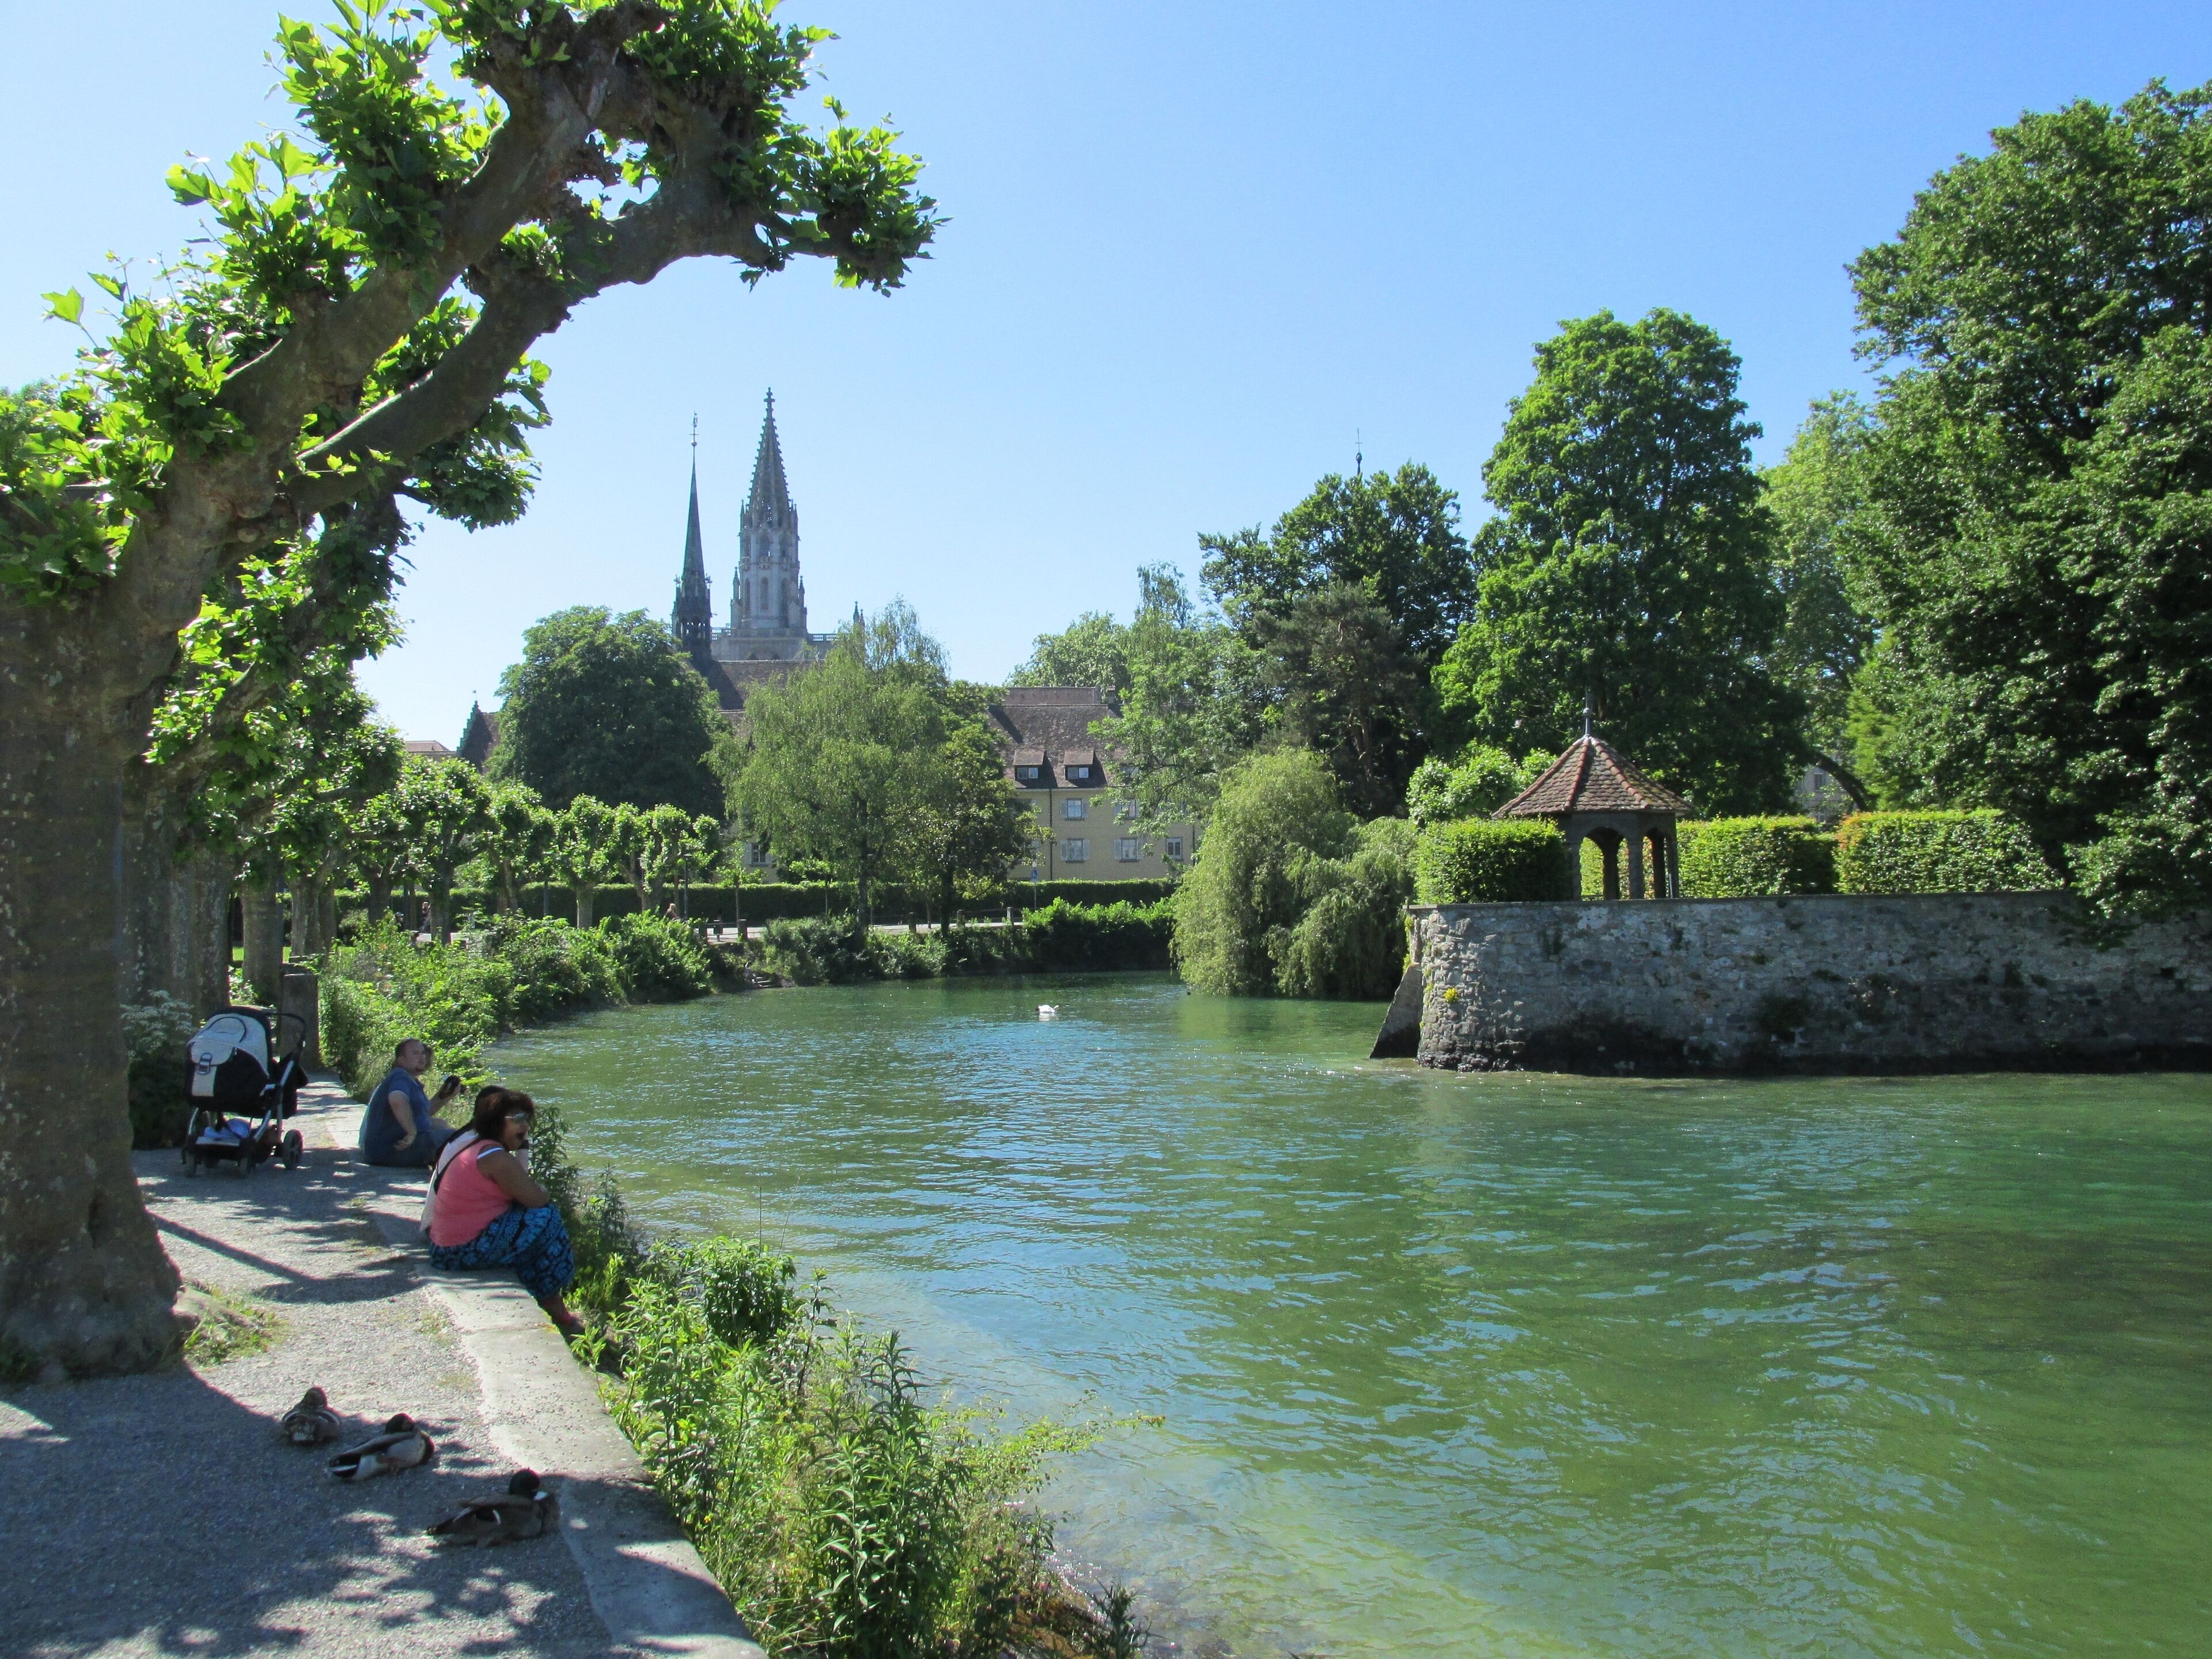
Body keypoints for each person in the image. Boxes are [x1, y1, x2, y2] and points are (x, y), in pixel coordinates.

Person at [425, 1090, 582, 1336]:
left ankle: (548, 1299)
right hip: (458, 1253)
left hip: (443, 1249)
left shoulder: (478, 1148)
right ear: (497, 1121)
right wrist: (541, 1190)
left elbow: (522, 1189)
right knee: (547, 1217)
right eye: (517, 1118)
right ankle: (552, 1299)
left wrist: (523, 1155)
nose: (525, 1125)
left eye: (527, 1118)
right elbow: (537, 1198)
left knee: (528, 1222)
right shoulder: (495, 1158)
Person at [361, 1039, 460, 1168]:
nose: (422, 1057)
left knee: (440, 1124)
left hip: (385, 1150)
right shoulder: (400, 1077)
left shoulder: (409, 1080)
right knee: (461, 1138)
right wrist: (411, 1132)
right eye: (415, 1054)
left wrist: (444, 1096)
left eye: (423, 1053)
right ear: (401, 1060)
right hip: (391, 1150)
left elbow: (424, 1113)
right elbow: (397, 1099)